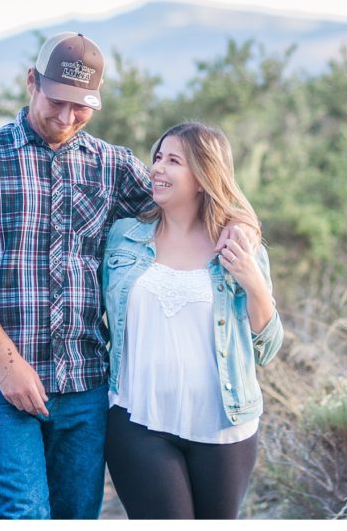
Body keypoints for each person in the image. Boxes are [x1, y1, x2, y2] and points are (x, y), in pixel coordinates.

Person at [0, 33, 249, 519]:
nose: (66, 118)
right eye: (57, 102)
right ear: (31, 82)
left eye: (81, 108)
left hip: (85, 385)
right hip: (2, 380)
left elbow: (188, 207)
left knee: (77, 517)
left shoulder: (113, 165)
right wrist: (6, 360)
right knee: (22, 515)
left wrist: (240, 224)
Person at [102, 121, 284, 520]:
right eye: (157, 158)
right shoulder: (124, 237)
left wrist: (253, 282)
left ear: (203, 176)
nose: (157, 169)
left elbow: (268, 348)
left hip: (222, 426)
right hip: (137, 420)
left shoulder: (237, 247)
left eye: (173, 161)